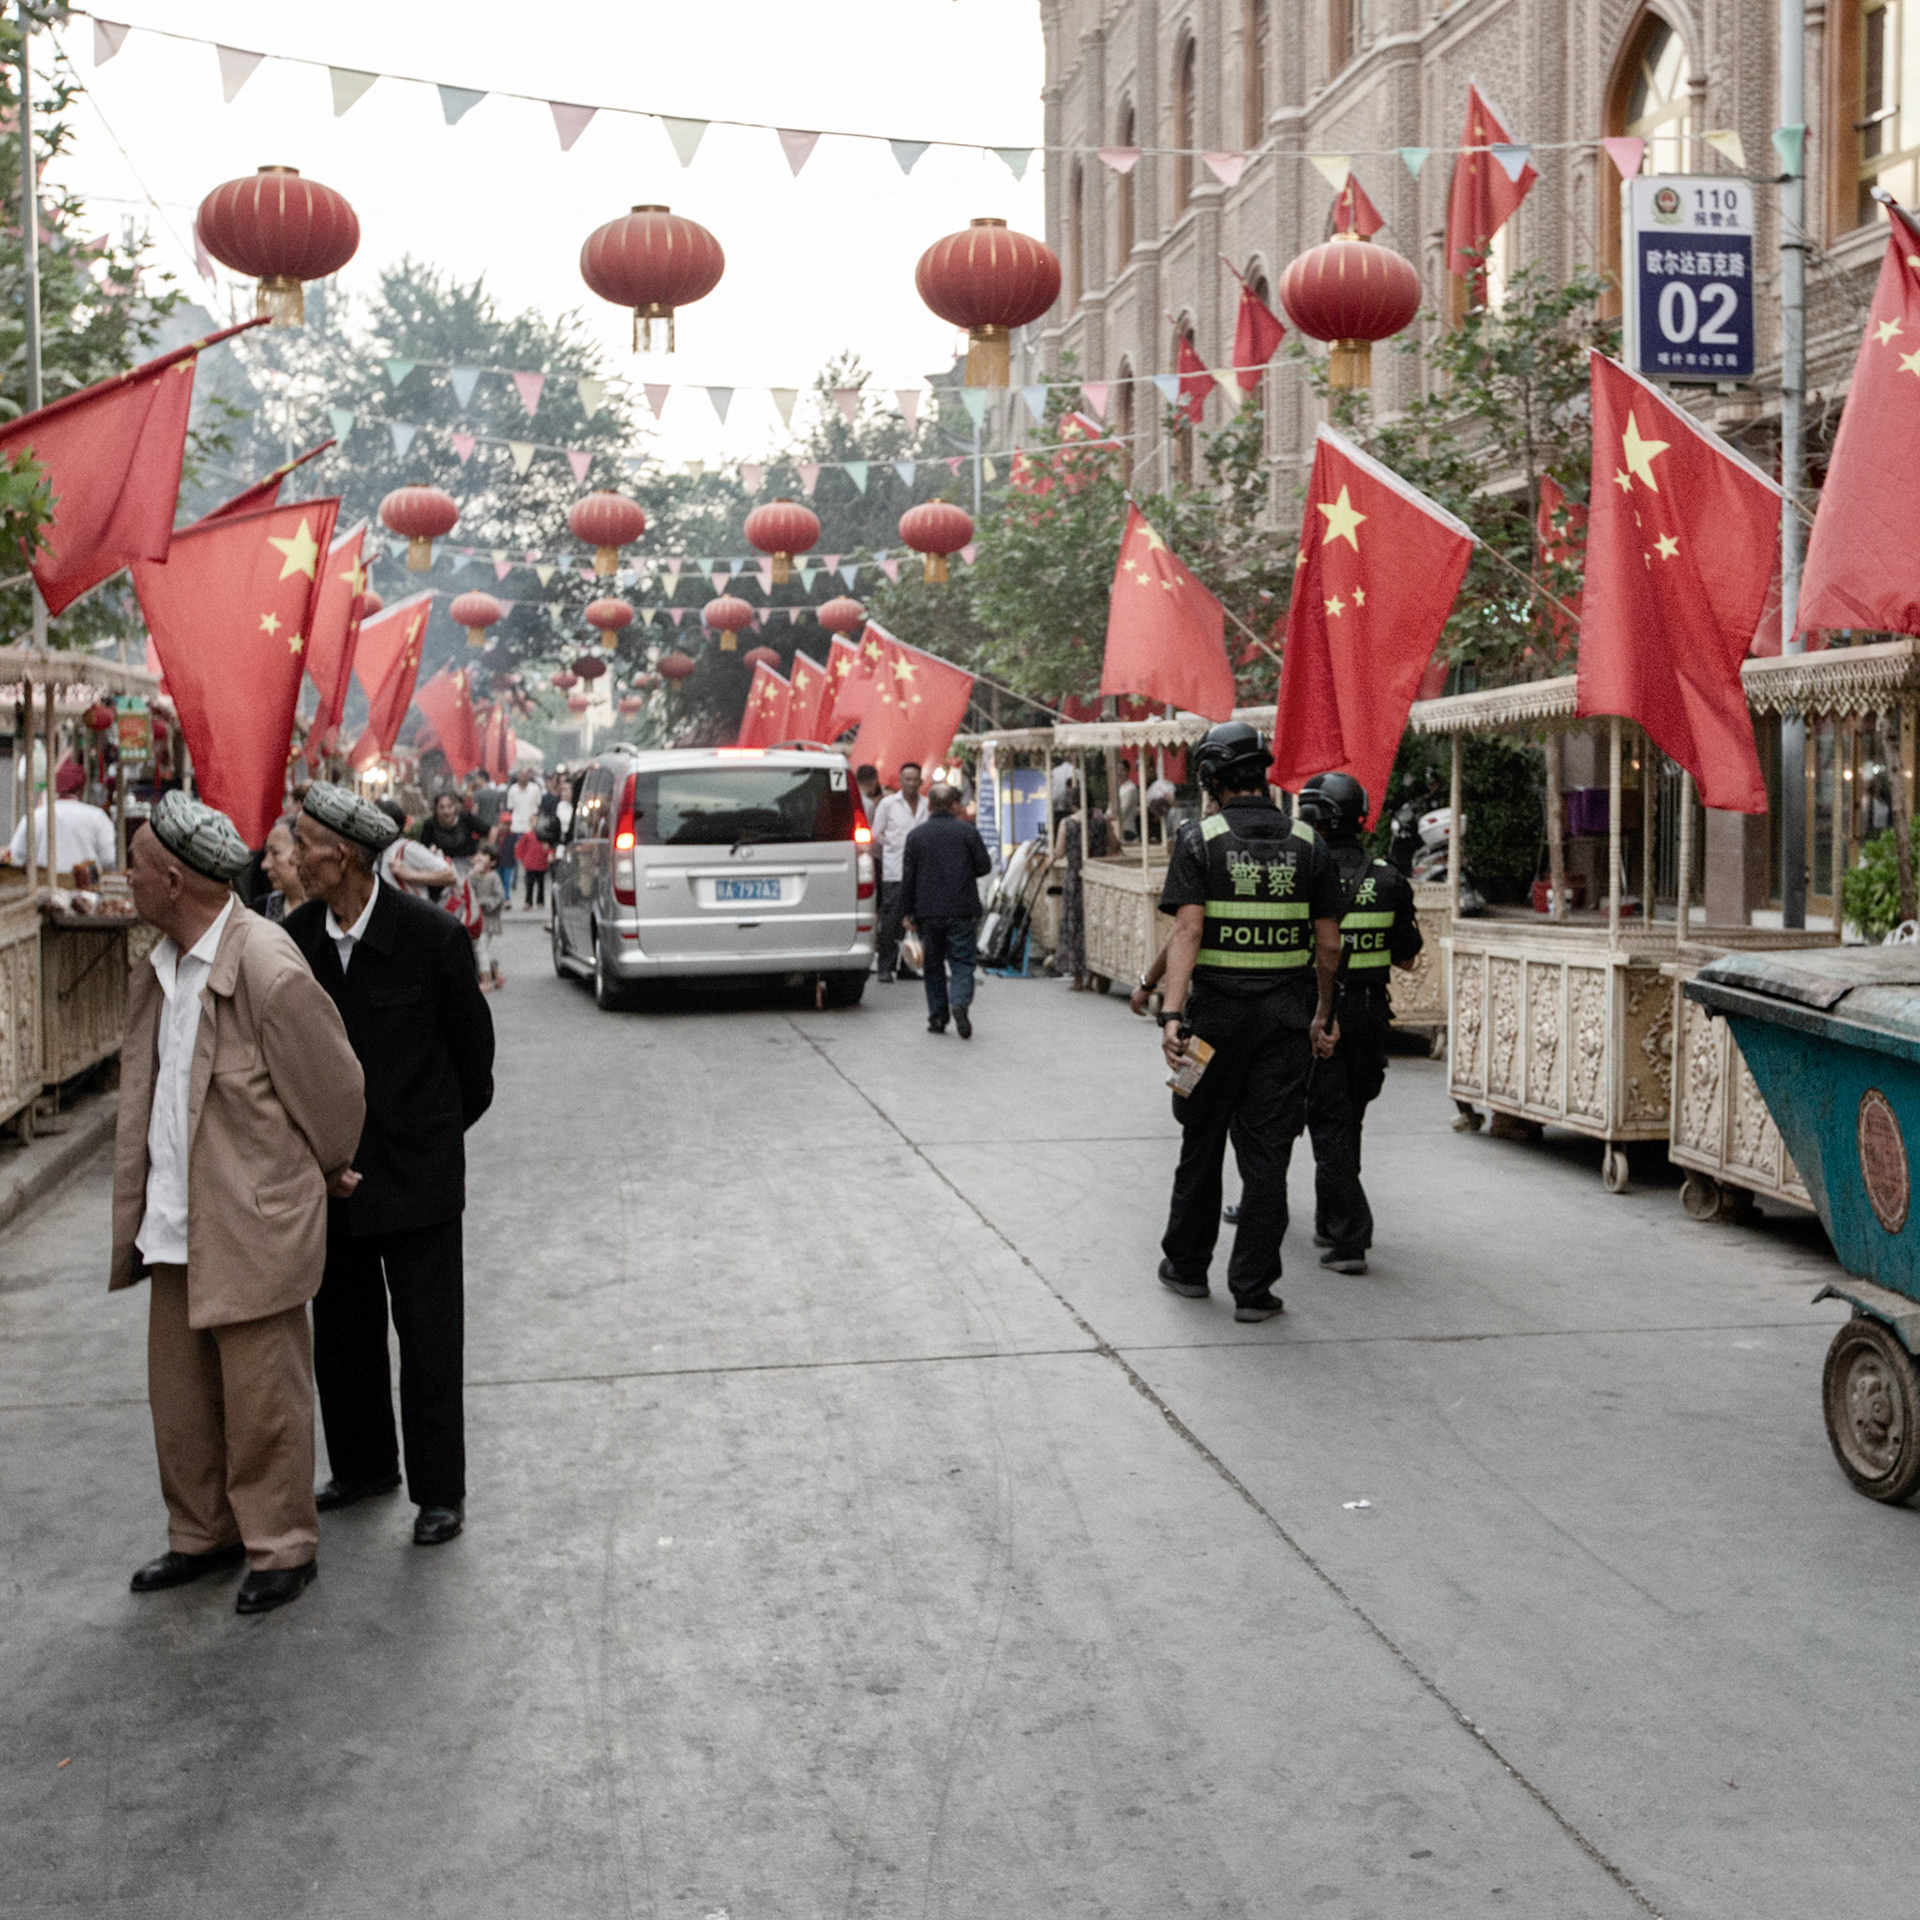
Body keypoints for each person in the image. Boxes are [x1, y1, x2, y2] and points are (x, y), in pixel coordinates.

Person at [112, 793, 365, 1614]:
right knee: (181, 1404)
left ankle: (281, 1545)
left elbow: (334, 1091)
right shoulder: (160, 965)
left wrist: (327, 1167)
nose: (128, 880)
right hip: (175, 1221)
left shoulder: (266, 963)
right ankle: (202, 1534)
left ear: (176, 880)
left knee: (264, 1405)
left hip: (251, 1222)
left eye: (138, 867)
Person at [286, 783, 496, 1548]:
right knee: (342, 1335)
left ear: (342, 854)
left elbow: (475, 1068)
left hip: (419, 1183)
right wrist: (328, 1157)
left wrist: (423, 1140)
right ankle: (365, 1466)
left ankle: (440, 1492)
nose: (295, 855)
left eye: (304, 843)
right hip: (329, 1181)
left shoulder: (431, 938)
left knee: (430, 1342)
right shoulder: (298, 937)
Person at [1153, 722, 1344, 1324]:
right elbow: (1330, 945)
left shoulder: (1198, 840)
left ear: (1210, 777)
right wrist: (1322, 1012)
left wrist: (1171, 1015)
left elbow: (1187, 931)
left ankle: (1186, 1267)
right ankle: (1254, 1289)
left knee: (1199, 1141)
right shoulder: (1309, 843)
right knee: (1268, 1156)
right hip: (1284, 1029)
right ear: (1260, 775)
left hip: (1207, 1027)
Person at [1296, 771, 1424, 1277]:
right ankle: (1330, 1219)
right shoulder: (1390, 879)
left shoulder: (1307, 874)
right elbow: (1409, 959)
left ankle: (1351, 1235)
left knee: (1328, 1124)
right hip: (1371, 1013)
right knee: (1350, 1118)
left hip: (1322, 1014)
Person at [900, 783, 991, 1039]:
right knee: (962, 963)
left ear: (929, 806)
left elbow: (909, 878)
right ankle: (960, 1002)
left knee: (933, 966)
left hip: (928, 912)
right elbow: (983, 866)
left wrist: (907, 913)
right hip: (962, 910)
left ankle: (938, 1017)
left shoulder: (916, 836)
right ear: (953, 806)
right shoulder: (967, 832)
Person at [8, 757, 118, 873]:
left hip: (43, 886)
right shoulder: (96, 816)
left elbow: (16, 855)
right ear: (82, 787)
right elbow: (109, 859)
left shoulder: (34, 816)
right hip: (85, 885)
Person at [870, 763, 928, 982]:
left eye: (915, 779)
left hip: (921, 873)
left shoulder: (927, 805)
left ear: (921, 782)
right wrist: (892, 848)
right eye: (908, 779)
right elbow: (875, 837)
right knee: (892, 921)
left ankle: (909, 965)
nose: (912, 783)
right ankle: (885, 966)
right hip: (895, 872)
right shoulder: (888, 804)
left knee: (917, 920)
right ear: (900, 781)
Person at [416, 790, 488, 871]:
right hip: (442, 866)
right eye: (441, 807)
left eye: (450, 807)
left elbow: (491, 831)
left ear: (455, 807)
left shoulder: (466, 819)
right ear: (435, 809)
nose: (446, 811)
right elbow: (423, 848)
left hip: (467, 864)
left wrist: (483, 856)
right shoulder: (430, 824)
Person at [467, 844, 507, 991]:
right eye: (480, 854)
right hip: (477, 918)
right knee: (478, 948)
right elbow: (468, 888)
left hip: (488, 920)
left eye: (485, 856)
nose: (481, 858)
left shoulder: (494, 877)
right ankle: (494, 969)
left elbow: (499, 897)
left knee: (480, 948)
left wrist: (484, 903)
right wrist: (472, 873)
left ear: (493, 862)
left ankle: (486, 980)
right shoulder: (476, 875)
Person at [259, 816, 308, 921]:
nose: (265, 864)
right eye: (266, 853)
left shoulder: (330, 911)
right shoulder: (259, 910)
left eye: (275, 852)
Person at [516, 822, 551, 912]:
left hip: (541, 863)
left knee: (541, 885)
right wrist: (522, 858)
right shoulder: (527, 835)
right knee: (529, 884)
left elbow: (549, 848)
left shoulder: (545, 836)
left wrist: (549, 854)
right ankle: (528, 902)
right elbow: (521, 847)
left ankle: (540, 901)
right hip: (530, 864)